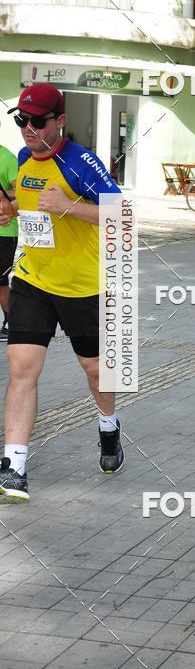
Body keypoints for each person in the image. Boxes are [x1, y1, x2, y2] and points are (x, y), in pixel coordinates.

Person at [0, 83, 124, 502]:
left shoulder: (80, 163)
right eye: (22, 120)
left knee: (95, 371)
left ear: (60, 121)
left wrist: (68, 206)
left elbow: (120, 216)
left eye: (38, 121)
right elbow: (32, 199)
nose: (29, 129)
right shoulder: (22, 159)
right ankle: (14, 467)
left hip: (82, 287)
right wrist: (13, 208)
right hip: (33, 280)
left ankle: (109, 427)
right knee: (21, 369)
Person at [0, 144, 18, 341]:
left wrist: (4, 194)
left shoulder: (7, 158)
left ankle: (13, 323)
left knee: (1, 283)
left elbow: (23, 190)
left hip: (4, 232)